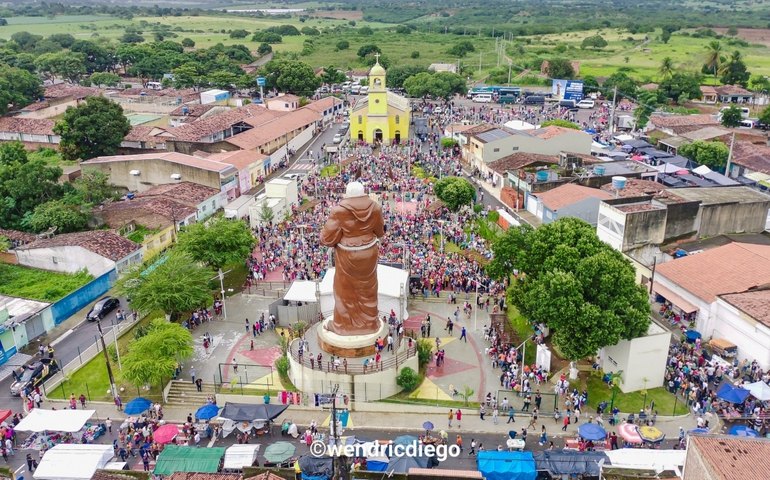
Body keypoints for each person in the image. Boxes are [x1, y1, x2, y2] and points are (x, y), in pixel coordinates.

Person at [320, 181, 385, 335]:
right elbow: (380, 231)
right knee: (368, 288)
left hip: (347, 254)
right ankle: (369, 323)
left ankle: (343, 326)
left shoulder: (338, 211)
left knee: (345, 290)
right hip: (369, 252)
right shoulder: (375, 207)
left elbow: (327, 239)